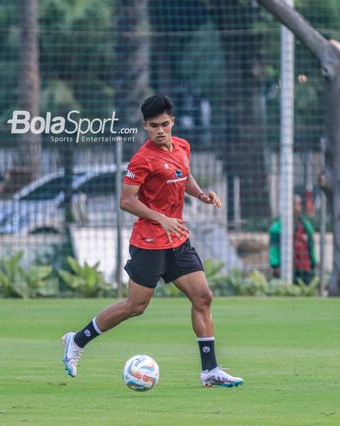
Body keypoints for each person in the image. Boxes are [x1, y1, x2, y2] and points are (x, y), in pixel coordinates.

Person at [61, 95, 243, 388]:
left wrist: (201, 194)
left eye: (165, 124)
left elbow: (184, 176)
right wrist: (160, 218)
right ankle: (77, 340)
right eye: (153, 126)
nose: (160, 130)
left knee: (203, 297)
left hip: (176, 238)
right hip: (149, 240)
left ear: (173, 122)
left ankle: (210, 370)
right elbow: (126, 201)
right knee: (135, 306)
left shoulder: (183, 146)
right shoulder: (142, 159)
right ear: (145, 127)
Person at [269, 195, 317, 284]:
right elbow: (274, 248)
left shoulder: (306, 226)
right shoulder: (277, 227)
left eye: (299, 205)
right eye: (294, 204)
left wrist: (314, 263)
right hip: (286, 268)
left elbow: (311, 246)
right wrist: (275, 266)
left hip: (304, 268)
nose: (297, 208)